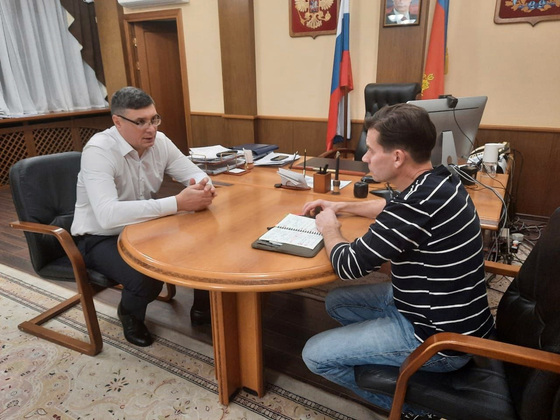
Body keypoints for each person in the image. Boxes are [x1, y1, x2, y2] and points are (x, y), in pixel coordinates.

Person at [301, 103, 494, 416]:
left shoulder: (416, 205)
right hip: (440, 311)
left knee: (314, 355)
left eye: (371, 150)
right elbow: (390, 207)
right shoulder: (439, 182)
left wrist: (329, 227)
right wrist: (340, 207)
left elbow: (348, 265)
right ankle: (380, 355)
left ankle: (414, 410)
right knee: (336, 302)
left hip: (438, 340)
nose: (365, 158)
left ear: (397, 157)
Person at [71, 86, 216, 347]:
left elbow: (194, 174)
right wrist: (177, 203)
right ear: (117, 122)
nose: (151, 129)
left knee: (205, 245)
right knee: (146, 277)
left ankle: (202, 310)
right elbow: (107, 216)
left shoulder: (160, 142)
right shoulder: (99, 150)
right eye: (140, 122)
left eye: (154, 119)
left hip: (143, 227)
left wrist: (204, 187)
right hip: (100, 236)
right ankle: (129, 313)